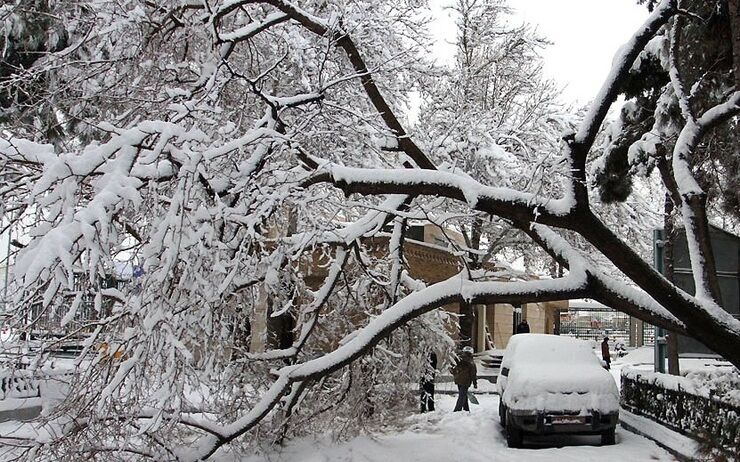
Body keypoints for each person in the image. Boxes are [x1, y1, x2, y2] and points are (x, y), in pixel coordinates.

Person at [451, 346, 477, 412]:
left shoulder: (459, 358)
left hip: (458, 379)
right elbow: (473, 373)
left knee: (463, 394)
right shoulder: (470, 361)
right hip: (466, 381)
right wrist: (475, 383)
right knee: (462, 396)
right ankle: (457, 410)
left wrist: (455, 374)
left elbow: (453, 367)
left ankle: (466, 409)